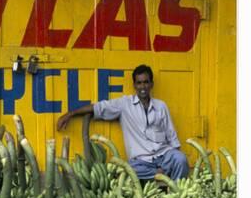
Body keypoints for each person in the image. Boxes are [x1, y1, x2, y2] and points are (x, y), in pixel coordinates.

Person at [56, 64, 189, 181]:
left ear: (151, 84)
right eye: (139, 83)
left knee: (181, 159)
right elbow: (98, 107)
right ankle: (158, 174)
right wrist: (70, 114)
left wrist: (174, 159)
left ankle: (175, 194)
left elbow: (173, 139)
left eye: (146, 82)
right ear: (134, 85)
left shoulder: (161, 106)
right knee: (126, 170)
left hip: (163, 155)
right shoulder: (125, 104)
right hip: (141, 162)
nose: (143, 87)